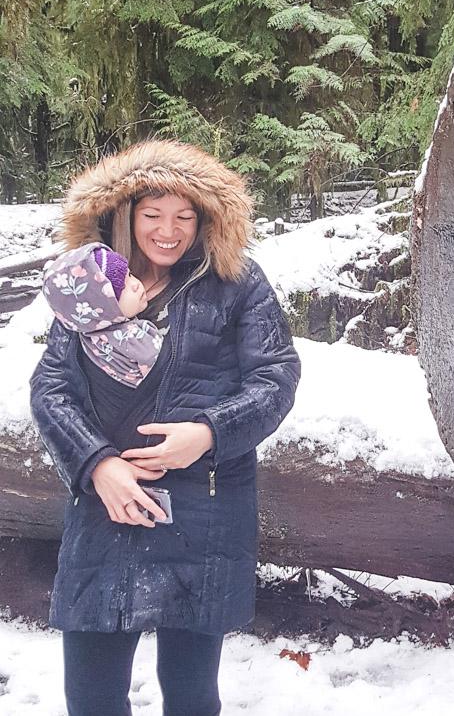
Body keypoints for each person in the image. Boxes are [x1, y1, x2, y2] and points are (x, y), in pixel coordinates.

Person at [30, 139, 301, 716]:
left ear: (206, 219)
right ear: (125, 215)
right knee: (91, 693)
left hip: (202, 512)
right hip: (107, 507)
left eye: (184, 216)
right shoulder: (90, 285)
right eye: (152, 214)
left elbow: (276, 378)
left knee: (191, 692)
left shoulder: (237, 283)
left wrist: (205, 434)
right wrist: (97, 464)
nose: (168, 231)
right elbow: (51, 390)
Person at [42, 242, 163, 388]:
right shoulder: (134, 338)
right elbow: (171, 373)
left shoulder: (88, 339)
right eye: (122, 288)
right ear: (103, 307)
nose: (135, 284)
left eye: (129, 274)